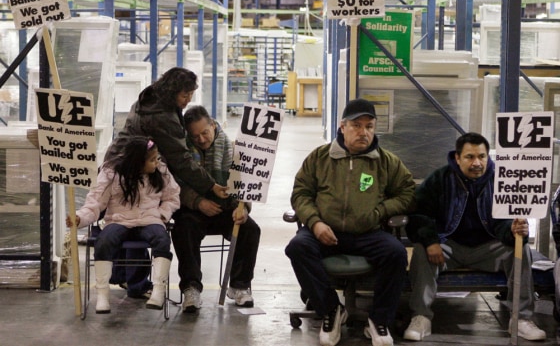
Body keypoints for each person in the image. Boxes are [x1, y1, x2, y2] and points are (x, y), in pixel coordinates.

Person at [285, 98, 416, 346]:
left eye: (369, 126)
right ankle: (332, 310)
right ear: (342, 126)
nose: (363, 132)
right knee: (297, 247)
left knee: (396, 253)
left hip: (368, 233)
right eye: (357, 125)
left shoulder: (386, 162)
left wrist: (381, 211)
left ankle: (379, 320)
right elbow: (301, 193)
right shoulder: (320, 158)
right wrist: (314, 223)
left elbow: (407, 192)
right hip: (325, 232)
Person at [403, 132, 546, 342]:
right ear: (457, 158)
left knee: (520, 249)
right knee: (422, 250)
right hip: (448, 246)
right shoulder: (440, 179)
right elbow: (418, 215)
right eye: (470, 157)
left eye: (482, 156)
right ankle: (421, 317)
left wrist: (515, 230)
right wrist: (431, 241)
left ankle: (521, 318)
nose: (477, 162)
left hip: (488, 248)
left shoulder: (502, 179)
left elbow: (504, 223)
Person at [106, 67, 229, 298]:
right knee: (136, 219)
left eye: (191, 94)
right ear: (173, 91)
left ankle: (129, 278)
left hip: (122, 163)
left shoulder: (151, 96)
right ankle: (135, 282)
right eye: (185, 95)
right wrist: (210, 185)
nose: (188, 100)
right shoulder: (162, 115)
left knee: (132, 219)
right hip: (129, 171)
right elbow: (181, 160)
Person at [66, 136, 180, 313]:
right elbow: (95, 202)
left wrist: (162, 214)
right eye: (152, 160)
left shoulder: (161, 170)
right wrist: (80, 217)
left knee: (162, 239)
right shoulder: (111, 172)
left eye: (157, 158)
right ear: (137, 162)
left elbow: (172, 197)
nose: (157, 163)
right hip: (119, 220)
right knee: (104, 241)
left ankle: (158, 290)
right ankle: (102, 294)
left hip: (150, 219)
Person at [174, 105, 261, 312]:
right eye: (195, 137)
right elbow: (175, 186)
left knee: (250, 229)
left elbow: (245, 184)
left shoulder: (232, 149)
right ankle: (191, 287)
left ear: (213, 125)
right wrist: (198, 202)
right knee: (182, 228)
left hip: (226, 208)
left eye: (205, 133)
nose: (202, 140)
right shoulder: (181, 154)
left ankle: (239, 286)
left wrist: (244, 208)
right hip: (193, 209)